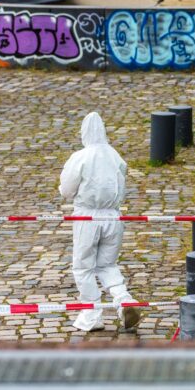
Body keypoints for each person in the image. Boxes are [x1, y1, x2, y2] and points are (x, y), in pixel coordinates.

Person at [59, 112, 141, 332]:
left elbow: (66, 190)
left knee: (83, 267)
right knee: (107, 265)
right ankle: (124, 300)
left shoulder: (81, 157)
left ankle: (91, 314)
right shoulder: (115, 156)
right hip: (113, 217)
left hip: (88, 217)